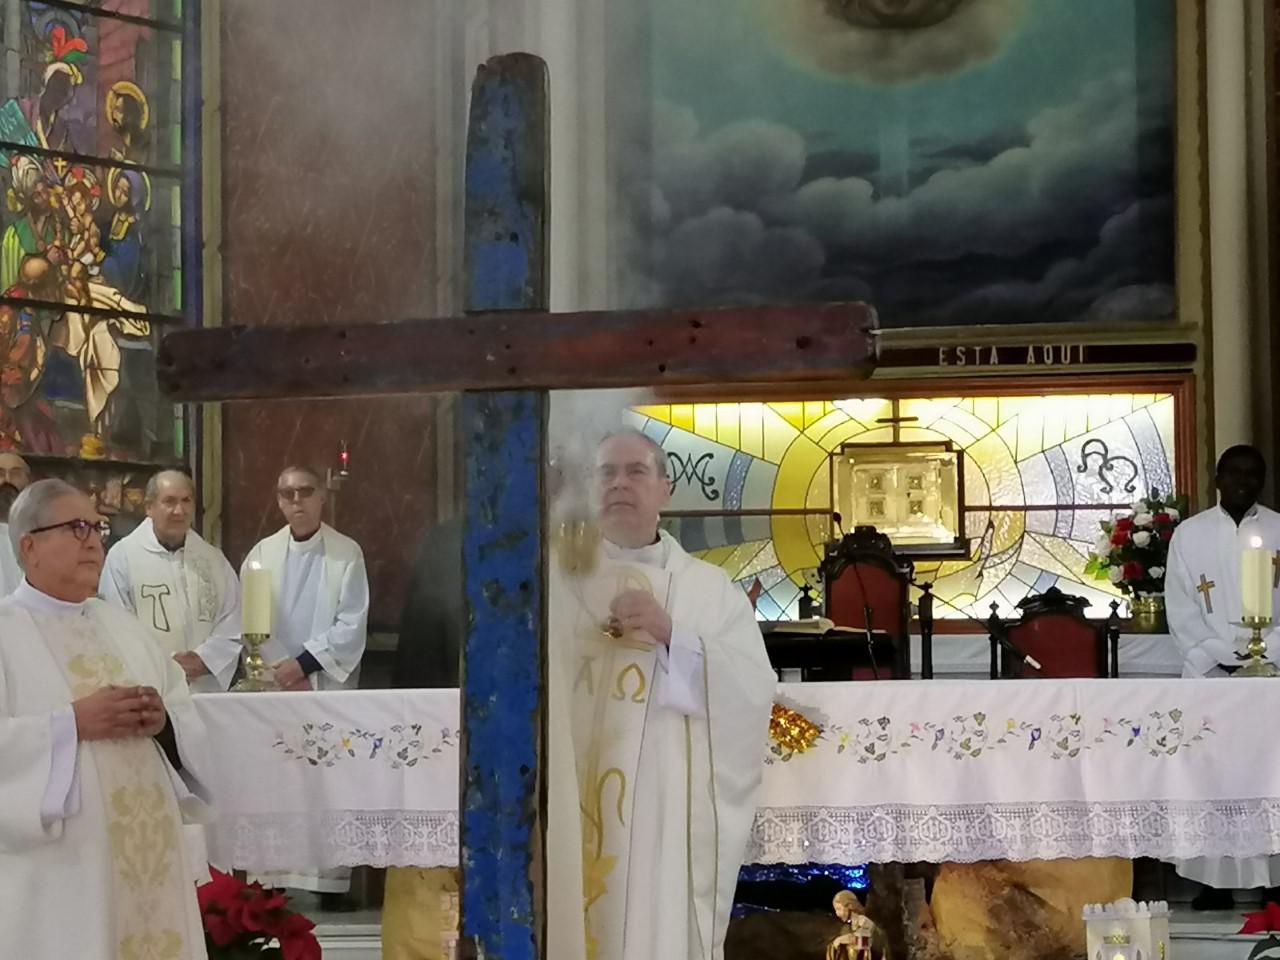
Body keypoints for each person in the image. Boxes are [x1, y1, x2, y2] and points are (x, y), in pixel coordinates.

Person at [547, 428, 776, 960]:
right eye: (606, 473)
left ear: (665, 490)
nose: (620, 484)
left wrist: (676, 634)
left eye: (636, 472)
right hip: (570, 788)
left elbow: (751, 690)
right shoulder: (556, 580)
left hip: (662, 799)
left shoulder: (708, 588)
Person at [0, 479, 212, 959]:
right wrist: (71, 724)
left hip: (148, 863)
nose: (95, 539)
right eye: (76, 527)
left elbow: (181, 715)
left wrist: (163, 723)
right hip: (63, 876)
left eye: (96, 527)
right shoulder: (5, 632)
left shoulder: (124, 626)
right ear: (29, 547)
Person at [242, 465, 368, 897]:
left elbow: (351, 624)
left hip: (322, 690)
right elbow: (251, 623)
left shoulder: (346, 553)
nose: (296, 501)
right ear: (278, 501)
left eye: (305, 492)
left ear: (321, 498)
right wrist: (279, 669)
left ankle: (326, 886)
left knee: (323, 785)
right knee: (278, 784)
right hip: (276, 689)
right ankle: (272, 882)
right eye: (287, 494)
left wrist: (303, 665)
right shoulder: (260, 555)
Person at [1166, 444, 1280, 908]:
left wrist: (1264, 651)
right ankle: (1211, 881)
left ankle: (1271, 877)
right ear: (1216, 478)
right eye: (1234, 474)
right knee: (1210, 776)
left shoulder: (1277, 528)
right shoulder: (1189, 536)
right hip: (1209, 675)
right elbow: (1180, 605)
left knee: (1268, 776)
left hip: (1271, 677)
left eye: (1253, 475)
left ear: (1262, 481)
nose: (1243, 483)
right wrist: (1221, 655)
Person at [99, 470, 243, 692]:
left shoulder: (213, 559)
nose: (180, 510)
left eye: (186, 501)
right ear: (149, 507)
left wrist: (204, 659)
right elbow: (116, 626)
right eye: (170, 501)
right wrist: (168, 665)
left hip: (205, 692)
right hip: (151, 692)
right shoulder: (123, 557)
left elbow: (233, 618)